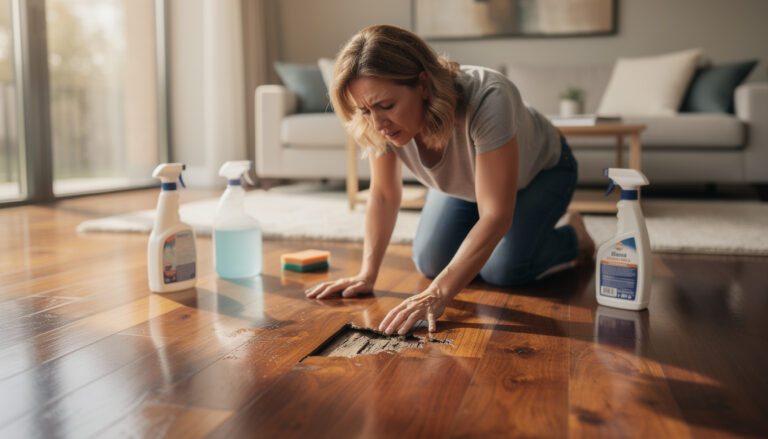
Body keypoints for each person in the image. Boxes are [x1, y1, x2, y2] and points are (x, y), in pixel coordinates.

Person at [304, 24, 594, 335]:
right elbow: (384, 196)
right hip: (464, 185)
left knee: (505, 268)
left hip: (543, 172)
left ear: (424, 85)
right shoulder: (378, 119)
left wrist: (437, 293)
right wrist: (366, 274)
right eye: (365, 110)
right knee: (431, 262)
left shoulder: (488, 97)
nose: (377, 123)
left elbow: (496, 215)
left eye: (386, 106)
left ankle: (575, 236)